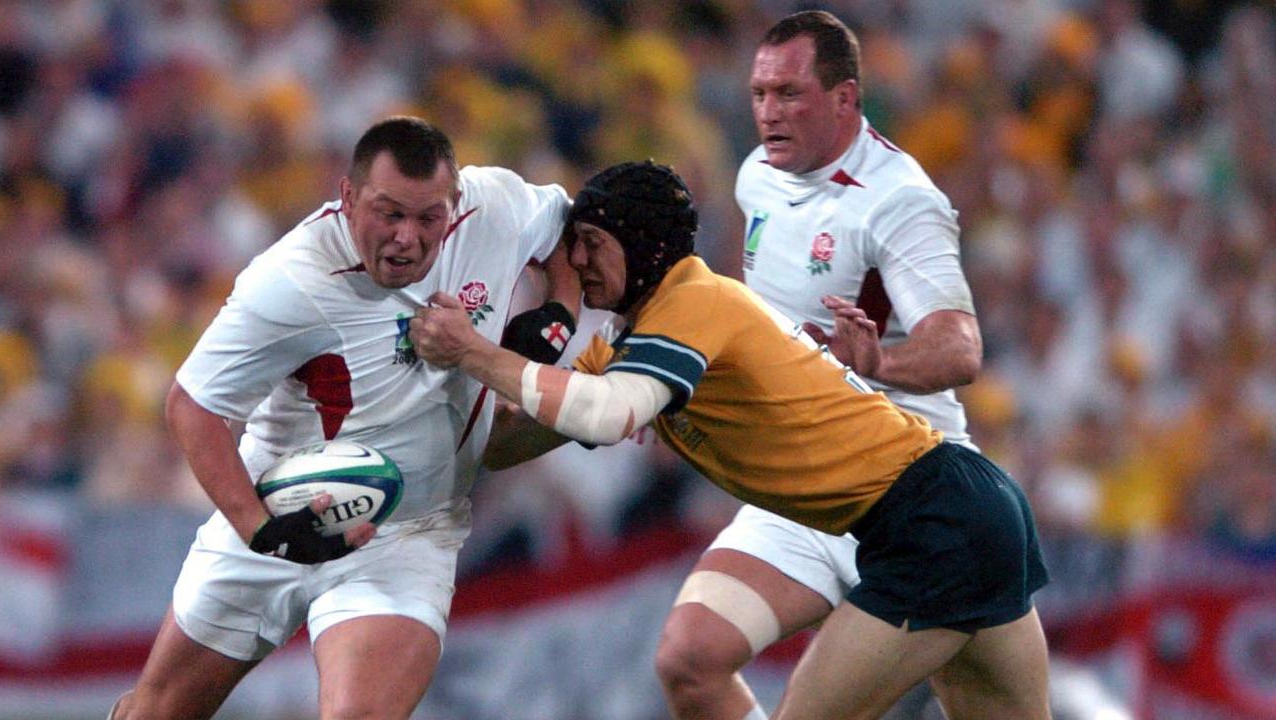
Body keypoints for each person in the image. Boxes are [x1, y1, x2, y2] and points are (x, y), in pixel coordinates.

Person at [409, 160, 1051, 719]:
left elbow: (605, 416)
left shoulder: (693, 301)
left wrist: (474, 353)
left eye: (591, 244)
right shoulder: (630, 345)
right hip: (959, 509)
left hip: (936, 521)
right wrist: (483, 372)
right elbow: (505, 446)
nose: (576, 262)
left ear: (641, 247)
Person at [110, 116, 579, 720]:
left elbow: (569, 229)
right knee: (157, 712)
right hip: (275, 508)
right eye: (389, 213)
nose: (407, 237)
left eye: (427, 218)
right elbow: (193, 405)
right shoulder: (290, 282)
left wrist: (558, 309)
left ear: (456, 203)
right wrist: (262, 531)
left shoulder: (497, 207)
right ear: (349, 196)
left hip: (407, 534)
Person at [657, 11, 984, 720]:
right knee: (689, 660)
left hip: (914, 494)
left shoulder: (900, 201)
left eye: (790, 95)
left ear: (845, 97)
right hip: (806, 490)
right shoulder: (757, 178)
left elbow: (961, 348)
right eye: (760, 95)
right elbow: (753, 320)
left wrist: (882, 361)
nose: (769, 114)